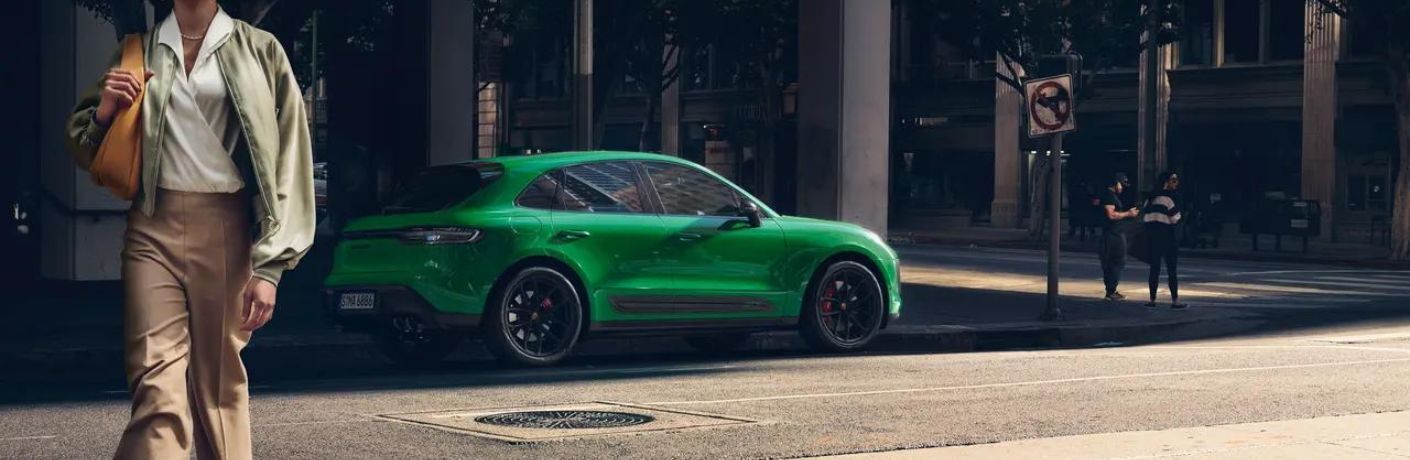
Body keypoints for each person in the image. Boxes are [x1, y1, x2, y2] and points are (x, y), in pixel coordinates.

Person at [64, 1, 314, 458]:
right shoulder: (137, 51)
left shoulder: (261, 51)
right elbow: (85, 146)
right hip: (151, 229)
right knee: (156, 389)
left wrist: (270, 266)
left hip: (227, 229)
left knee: (218, 391)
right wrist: (104, 111)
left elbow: (290, 157)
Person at [1143, 171, 1187, 309]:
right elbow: (1176, 218)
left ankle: (1152, 300)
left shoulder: (1149, 199)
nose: (1176, 182)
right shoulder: (1169, 199)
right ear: (1166, 182)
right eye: (1173, 180)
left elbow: (1145, 218)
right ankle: (1175, 301)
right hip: (1168, 237)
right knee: (1172, 270)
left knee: (1154, 269)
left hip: (1153, 237)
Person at [1098, 173, 1140, 301]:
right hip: (1112, 234)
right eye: (1122, 184)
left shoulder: (1112, 196)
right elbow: (1111, 215)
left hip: (1115, 233)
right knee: (1115, 261)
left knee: (1115, 262)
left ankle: (1111, 290)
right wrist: (1128, 213)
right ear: (1116, 183)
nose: (1122, 188)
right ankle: (1111, 291)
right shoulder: (1109, 196)